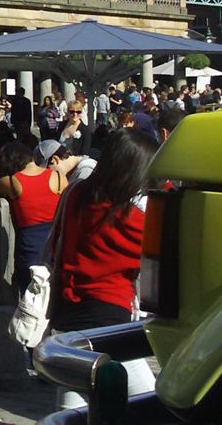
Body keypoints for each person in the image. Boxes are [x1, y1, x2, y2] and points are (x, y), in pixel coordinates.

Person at [50, 129, 158, 409]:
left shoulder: (77, 193)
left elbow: (56, 243)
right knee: (152, 404)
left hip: (67, 309)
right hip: (109, 318)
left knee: (72, 405)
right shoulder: (138, 219)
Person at [0, 141, 67, 293]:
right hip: (57, 245)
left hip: (30, 246)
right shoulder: (58, 177)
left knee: (29, 299)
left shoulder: (10, 182)